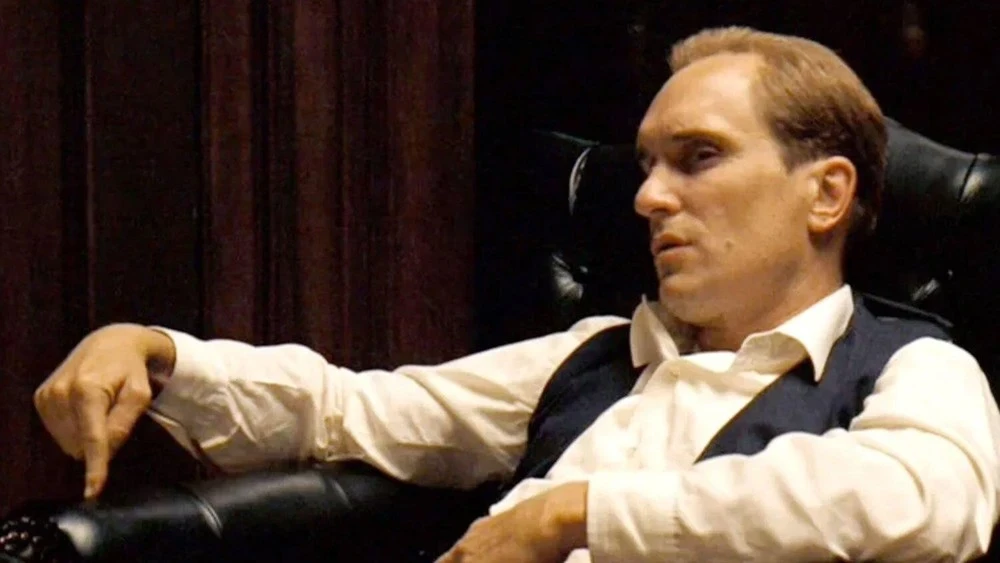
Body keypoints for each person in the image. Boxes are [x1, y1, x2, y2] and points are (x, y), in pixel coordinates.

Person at [33, 27, 1000, 562]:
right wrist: (157, 351)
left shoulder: (914, 366)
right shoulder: (595, 354)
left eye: (699, 158)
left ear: (825, 194)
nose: (648, 197)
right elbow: (353, 409)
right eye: (648, 165)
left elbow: (925, 500)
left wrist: (574, 513)